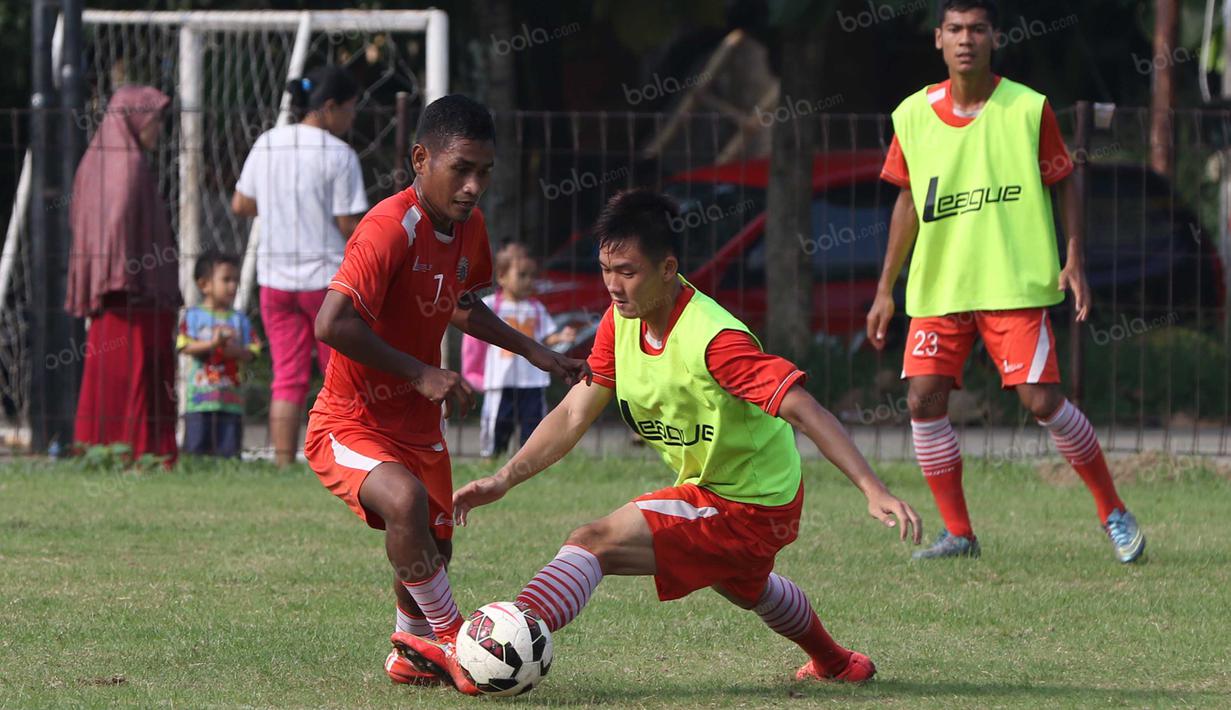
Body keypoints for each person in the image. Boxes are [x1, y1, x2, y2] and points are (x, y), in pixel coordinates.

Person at [399, 189, 924, 695]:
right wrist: (502, 478)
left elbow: (805, 409)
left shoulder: (715, 341)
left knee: (593, 540)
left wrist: (872, 489)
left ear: (668, 269)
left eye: (628, 272)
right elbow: (575, 412)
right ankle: (835, 662)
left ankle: (496, 645)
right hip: (745, 491)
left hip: (749, 502)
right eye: (606, 270)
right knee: (747, 586)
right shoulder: (619, 323)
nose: (613, 285)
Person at [303, 95, 590, 687]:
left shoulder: (468, 227)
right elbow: (331, 323)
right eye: (461, 168)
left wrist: (538, 353)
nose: (473, 185)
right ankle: (457, 642)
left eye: (484, 171)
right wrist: (420, 372)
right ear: (420, 158)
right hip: (350, 421)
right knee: (403, 503)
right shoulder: (388, 227)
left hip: (417, 425)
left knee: (435, 545)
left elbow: (459, 303)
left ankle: (409, 655)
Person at [865, 0, 1145, 562]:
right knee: (923, 398)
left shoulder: (1027, 108)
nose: (966, 39)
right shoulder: (912, 115)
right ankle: (959, 533)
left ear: (994, 37)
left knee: (1041, 400)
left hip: (1011, 285)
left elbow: (1064, 180)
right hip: (940, 287)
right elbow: (908, 200)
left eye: (977, 29)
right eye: (955, 29)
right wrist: (884, 289)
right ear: (938, 40)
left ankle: (1113, 509)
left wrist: (1073, 258)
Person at [232, 65, 368, 466]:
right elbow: (348, 225)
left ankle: (282, 461)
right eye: (350, 109)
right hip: (326, 283)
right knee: (340, 374)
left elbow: (240, 204)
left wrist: (277, 203)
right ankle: (347, 457)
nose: (352, 117)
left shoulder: (268, 143)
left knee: (287, 376)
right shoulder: (339, 155)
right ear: (329, 108)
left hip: (275, 279)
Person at [66, 85, 181, 464]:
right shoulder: (128, 165)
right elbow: (116, 228)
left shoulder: (94, 161)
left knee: (110, 379)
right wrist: (125, 274)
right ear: (135, 119)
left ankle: (102, 448)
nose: (158, 130)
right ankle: (144, 451)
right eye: (155, 121)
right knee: (138, 376)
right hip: (133, 294)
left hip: (113, 293)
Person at [467, 246, 577, 458]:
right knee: (497, 422)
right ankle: (491, 457)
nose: (529, 281)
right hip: (501, 381)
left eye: (532, 276)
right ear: (501, 277)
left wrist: (561, 337)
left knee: (534, 423)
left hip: (532, 380)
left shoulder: (536, 308)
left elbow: (546, 337)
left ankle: (530, 458)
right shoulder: (490, 307)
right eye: (522, 275)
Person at [177, 252, 262, 458]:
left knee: (229, 452)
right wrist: (213, 344)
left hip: (230, 401)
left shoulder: (239, 320)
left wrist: (237, 352)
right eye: (226, 280)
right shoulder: (193, 317)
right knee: (196, 452)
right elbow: (184, 346)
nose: (233, 286)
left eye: (235, 280)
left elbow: (254, 350)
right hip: (199, 400)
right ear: (204, 284)